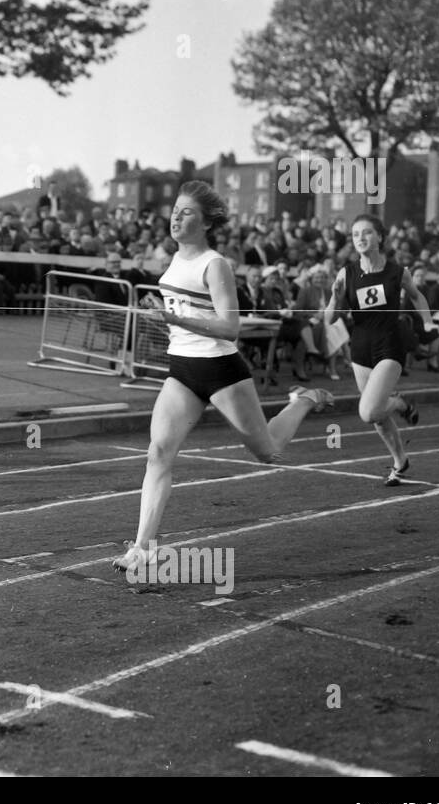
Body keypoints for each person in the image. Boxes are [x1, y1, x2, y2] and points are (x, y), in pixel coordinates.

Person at [112, 181, 333, 574]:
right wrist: (163, 319)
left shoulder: (215, 265)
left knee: (269, 453)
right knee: (158, 452)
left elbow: (229, 326)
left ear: (206, 222)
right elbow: (183, 322)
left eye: (186, 213)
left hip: (221, 372)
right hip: (181, 369)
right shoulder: (173, 261)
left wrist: (174, 316)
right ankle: (143, 547)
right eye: (175, 210)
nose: (176, 218)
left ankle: (302, 400)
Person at [324, 214, 436, 486]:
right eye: (355, 234)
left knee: (369, 412)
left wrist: (429, 321)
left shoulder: (398, 272)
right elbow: (330, 318)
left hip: (390, 344)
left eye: (367, 233)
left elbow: (416, 296)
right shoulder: (346, 273)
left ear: (380, 237)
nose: (360, 238)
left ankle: (399, 402)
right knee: (377, 417)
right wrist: (335, 297)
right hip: (361, 348)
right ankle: (400, 462)